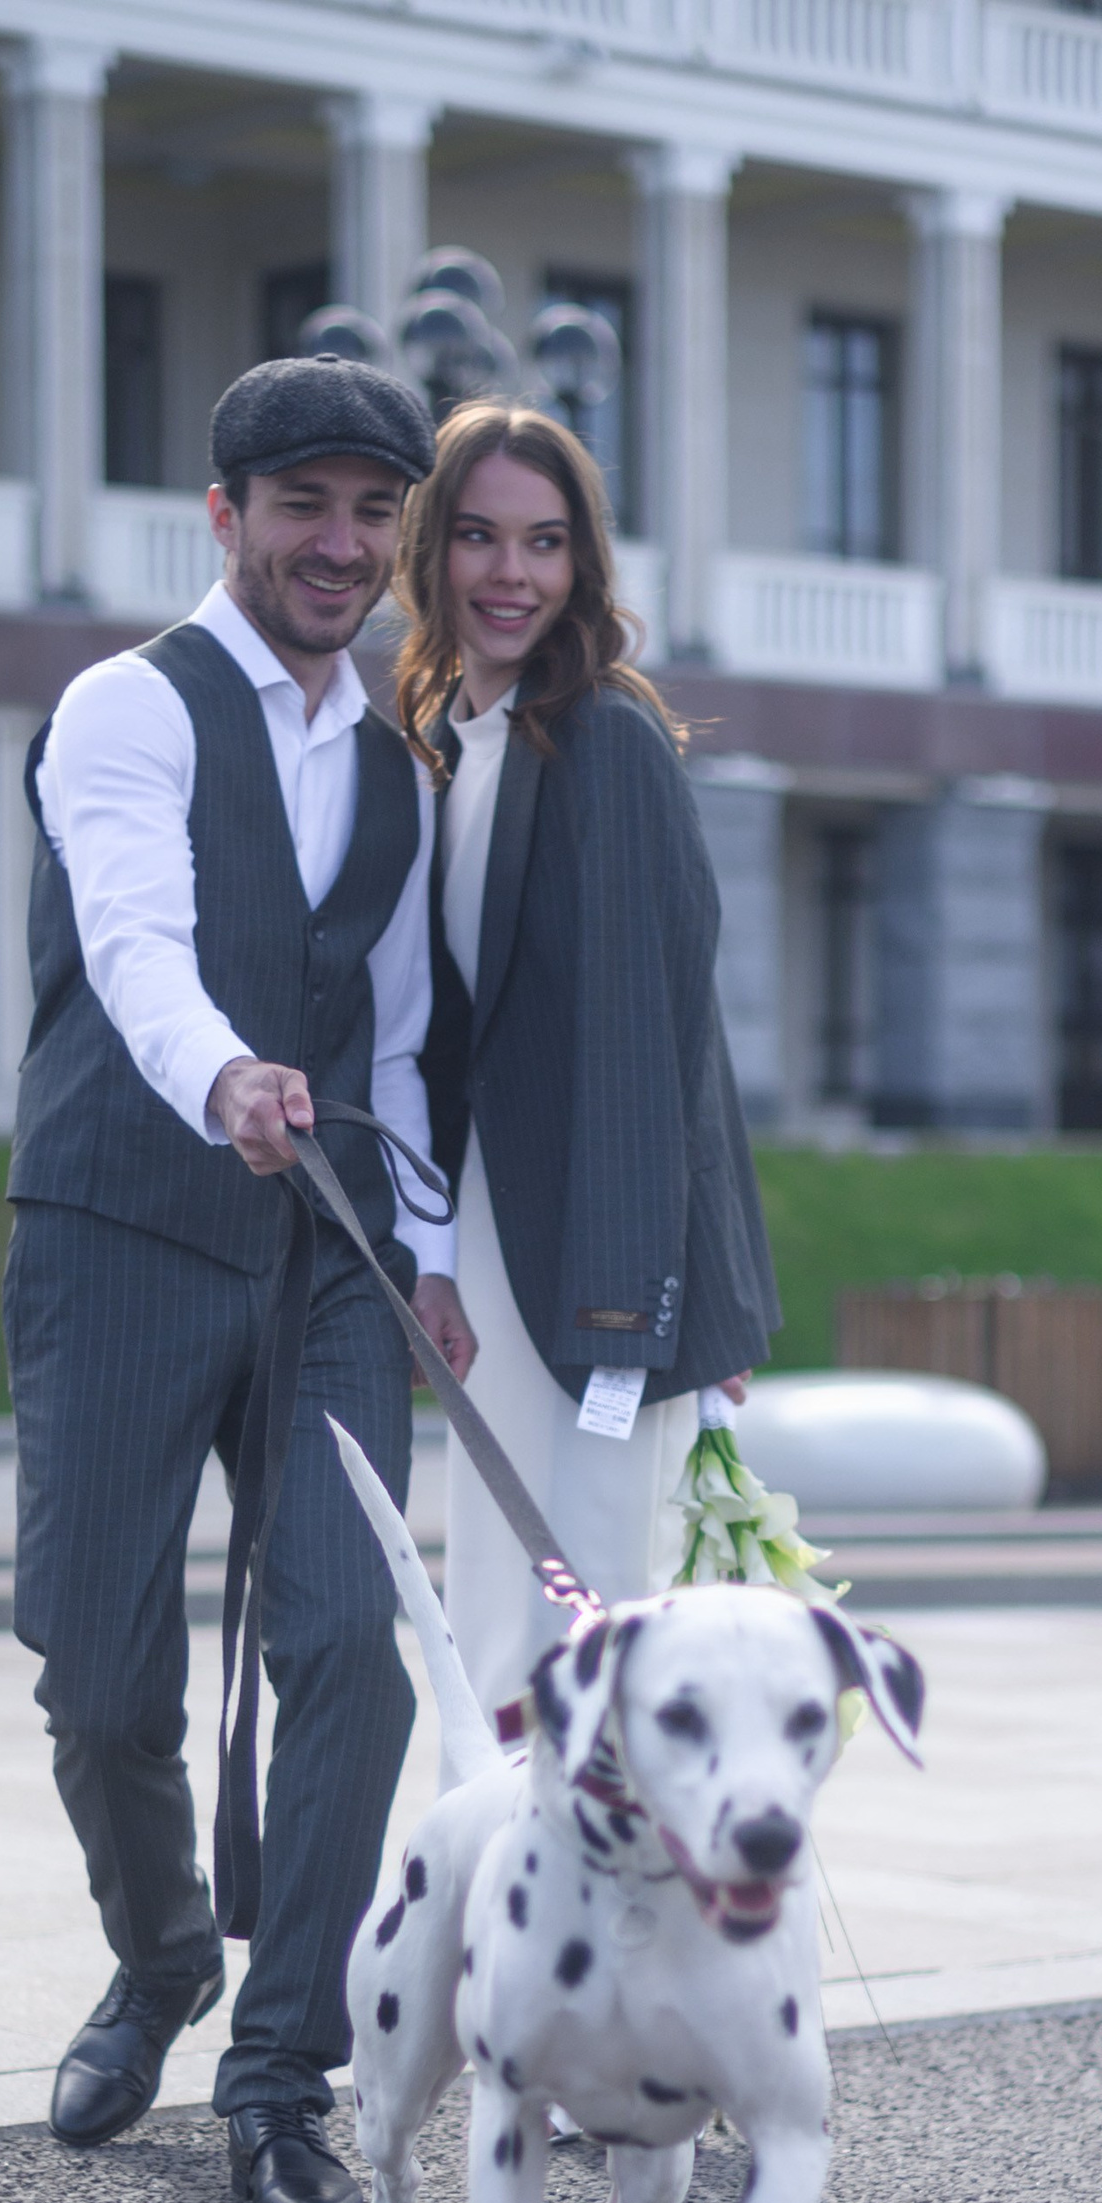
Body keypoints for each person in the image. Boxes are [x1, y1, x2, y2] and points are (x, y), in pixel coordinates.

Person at [8, 356, 477, 2203]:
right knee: (103, 1681)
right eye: (307, 507)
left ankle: (285, 2069)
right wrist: (218, 1075)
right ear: (227, 519)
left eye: (377, 512)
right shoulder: (123, 707)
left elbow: (405, 1031)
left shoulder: (399, 760)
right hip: (122, 1230)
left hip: (331, 1260)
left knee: (347, 1654)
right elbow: (132, 932)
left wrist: (428, 1248)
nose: (344, 546)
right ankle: (159, 1962)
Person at [394, 401, 780, 1715]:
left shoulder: (603, 737)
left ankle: (615, 1891)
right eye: (481, 538)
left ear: (584, 565)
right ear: (432, 551)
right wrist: (430, 1254)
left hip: (599, 1267)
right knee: (506, 1600)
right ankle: (520, 1878)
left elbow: (652, 1032)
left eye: (546, 543)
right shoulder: (455, 743)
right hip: (500, 1239)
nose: (512, 575)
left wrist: (636, 1311)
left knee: (604, 1616)